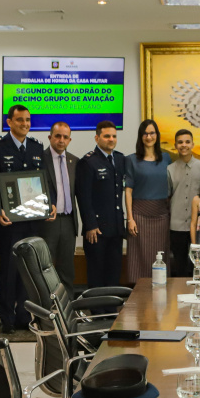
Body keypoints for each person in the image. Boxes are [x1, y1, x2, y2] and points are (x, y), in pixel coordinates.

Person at [0, 104, 52, 333]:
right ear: (10, 121)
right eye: (20, 120)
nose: (25, 124)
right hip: (9, 222)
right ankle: (7, 318)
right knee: (9, 270)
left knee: (29, 269)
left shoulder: (36, 147)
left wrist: (47, 205)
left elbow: (41, 179)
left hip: (32, 220)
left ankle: (25, 317)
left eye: (27, 120)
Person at [76, 121, 126, 288]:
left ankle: (111, 310)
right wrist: (90, 225)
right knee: (96, 272)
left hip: (116, 228)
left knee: (114, 271)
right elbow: (83, 197)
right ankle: (97, 310)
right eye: (106, 136)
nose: (111, 139)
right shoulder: (88, 162)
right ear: (97, 138)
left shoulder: (119, 159)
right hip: (96, 230)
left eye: (114, 136)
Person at [125, 119, 171, 283]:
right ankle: (139, 300)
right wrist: (130, 219)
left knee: (162, 257)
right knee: (138, 261)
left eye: (152, 133)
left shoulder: (166, 158)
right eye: (145, 133)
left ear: (157, 136)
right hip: (139, 216)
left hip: (162, 216)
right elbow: (128, 190)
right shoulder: (131, 160)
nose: (149, 136)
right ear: (140, 136)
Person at [37, 121, 79, 297]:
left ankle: (68, 305)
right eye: (58, 136)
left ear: (69, 140)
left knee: (67, 268)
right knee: (44, 267)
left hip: (69, 221)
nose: (61, 140)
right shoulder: (40, 159)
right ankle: (45, 307)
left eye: (65, 137)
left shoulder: (74, 161)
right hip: (48, 223)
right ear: (50, 137)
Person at [167, 129, 200, 278]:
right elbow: (168, 195)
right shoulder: (169, 169)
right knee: (180, 267)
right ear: (175, 145)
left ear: (192, 144)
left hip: (199, 226)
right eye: (180, 142)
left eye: (187, 142)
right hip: (176, 225)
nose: (184, 145)